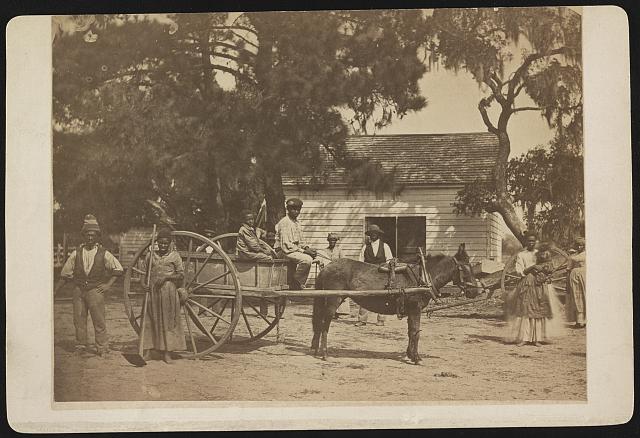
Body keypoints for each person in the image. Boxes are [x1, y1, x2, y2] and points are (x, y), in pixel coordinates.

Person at [54, 214, 123, 357]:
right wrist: (54, 291)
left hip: (95, 290)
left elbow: (118, 269)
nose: (90, 238)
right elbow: (65, 275)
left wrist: (108, 285)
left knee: (99, 320)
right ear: (84, 236)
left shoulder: (104, 253)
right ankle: (81, 345)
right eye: (87, 235)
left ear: (97, 236)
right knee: (79, 319)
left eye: (93, 235)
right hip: (79, 290)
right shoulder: (76, 253)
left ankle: (102, 347)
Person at [141, 226, 187, 364]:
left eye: (165, 243)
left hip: (168, 292)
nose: (162, 246)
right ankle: (148, 351)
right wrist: (143, 284)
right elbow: (144, 274)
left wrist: (167, 278)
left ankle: (167, 353)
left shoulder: (175, 256)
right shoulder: (150, 255)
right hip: (153, 292)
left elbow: (181, 274)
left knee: (167, 321)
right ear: (157, 242)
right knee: (150, 320)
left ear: (170, 243)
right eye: (160, 243)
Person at [511, 243, 556, 346]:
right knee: (526, 309)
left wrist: (544, 272)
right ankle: (525, 338)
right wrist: (533, 267)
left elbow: (550, 270)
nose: (530, 243)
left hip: (539, 285)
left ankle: (537, 338)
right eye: (528, 240)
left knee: (538, 310)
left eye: (533, 240)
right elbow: (523, 271)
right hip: (528, 283)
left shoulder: (542, 255)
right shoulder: (522, 255)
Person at [355, 224, 393, 327]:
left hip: (381, 274)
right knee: (364, 296)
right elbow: (360, 262)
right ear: (369, 235)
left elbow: (389, 260)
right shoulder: (365, 247)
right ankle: (362, 320)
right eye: (372, 234)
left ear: (378, 234)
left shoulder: (385, 246)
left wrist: (385, 271)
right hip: (368, 275)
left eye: (375, 233)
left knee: (382, 297)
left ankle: (381, 320)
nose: (373, 235)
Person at [274, 198, 317, 289]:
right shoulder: (284, 222)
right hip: (283, 251)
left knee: (317, 256)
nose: (296, 212)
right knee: (306, 260)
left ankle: (298, 282)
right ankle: (295, 282)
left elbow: (301, 240)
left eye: (298, 209)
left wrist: (307, 248)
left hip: (293, 250)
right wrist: (304, 252)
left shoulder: (297, 223)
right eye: (293, 209)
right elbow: (286, 245)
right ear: (288, 209)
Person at [315, 233, 350, 318]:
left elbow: (344, 262)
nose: (332, 242)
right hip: (328, 275)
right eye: (330, 240)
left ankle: (342, 312)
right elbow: (320, 260)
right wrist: (318, 261)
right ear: (328, 241)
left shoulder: (339, 251)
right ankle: (330, 311)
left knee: (341, 292)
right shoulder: (324, 251)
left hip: (338, 275)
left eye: (334, 240)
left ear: (336, 241)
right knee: (328, 293)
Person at [566, 237, 587, 328]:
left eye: (581, 245)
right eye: (577, 245)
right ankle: (579, 321)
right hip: (575, 277)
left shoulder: (586, 254)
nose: (579, 247)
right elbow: (568, 268)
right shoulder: (573, 256)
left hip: (585, 275)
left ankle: (585, 320)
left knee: (585, 296)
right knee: (577, 296)